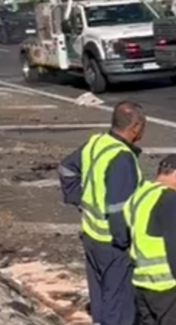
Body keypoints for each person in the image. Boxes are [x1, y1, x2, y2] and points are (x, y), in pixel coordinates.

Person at [59, 102, 147, 325]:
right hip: (112, 243)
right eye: (143, 126)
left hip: (91, 236)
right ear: (135, 127)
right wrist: (125, 242)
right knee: (118, 305)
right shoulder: (122, 158)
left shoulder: (96, 142)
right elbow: (118, 208)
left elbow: (66, 168)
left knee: (101, 298)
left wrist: (78, 197)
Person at [126, 154, 176, 325]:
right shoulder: (169, 198)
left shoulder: (140, 195)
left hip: (141, 282)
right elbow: (174, 243)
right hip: (166, 285)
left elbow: (125, 233)